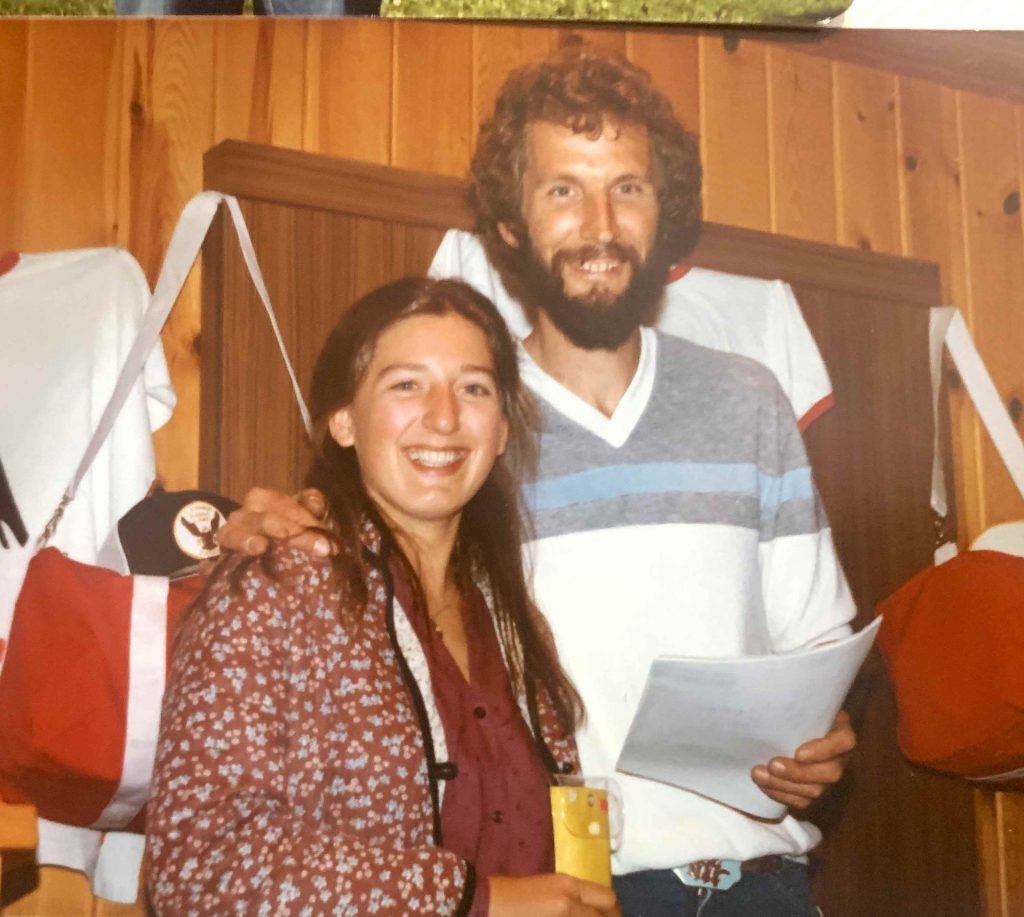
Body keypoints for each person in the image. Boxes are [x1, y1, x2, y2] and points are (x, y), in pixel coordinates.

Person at [219, 47, 857, 917]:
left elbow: (818, 653)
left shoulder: (750, 399)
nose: (601, 224)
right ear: (512, 226)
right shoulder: (467, 428)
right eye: (563, 189)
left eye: (627, 187)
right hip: (563, 890)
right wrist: (286, 517)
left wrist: (823, 743)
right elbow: (364, 550)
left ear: (663, 212)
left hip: (762, 885)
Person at [146, 277, 621, 917]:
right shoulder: (275, 588)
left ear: (503, 430)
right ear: (344, 421)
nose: (445, 417)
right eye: (406, 385)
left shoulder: (512, 619)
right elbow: (200, 867)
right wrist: (473, 902)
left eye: (474, 389)